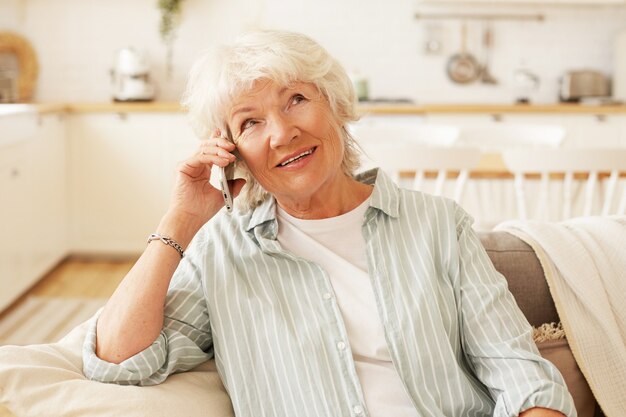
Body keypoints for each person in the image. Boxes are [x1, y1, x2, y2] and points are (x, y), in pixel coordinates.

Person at [83, 30, 576, 417]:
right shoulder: (222, 249)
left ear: (336, 106)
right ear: (232, 152)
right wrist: (181, 219)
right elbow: (118, 359)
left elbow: (524, 377)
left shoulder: (440, 225)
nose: (281, 132)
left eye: (295, 99)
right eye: (249, 122)